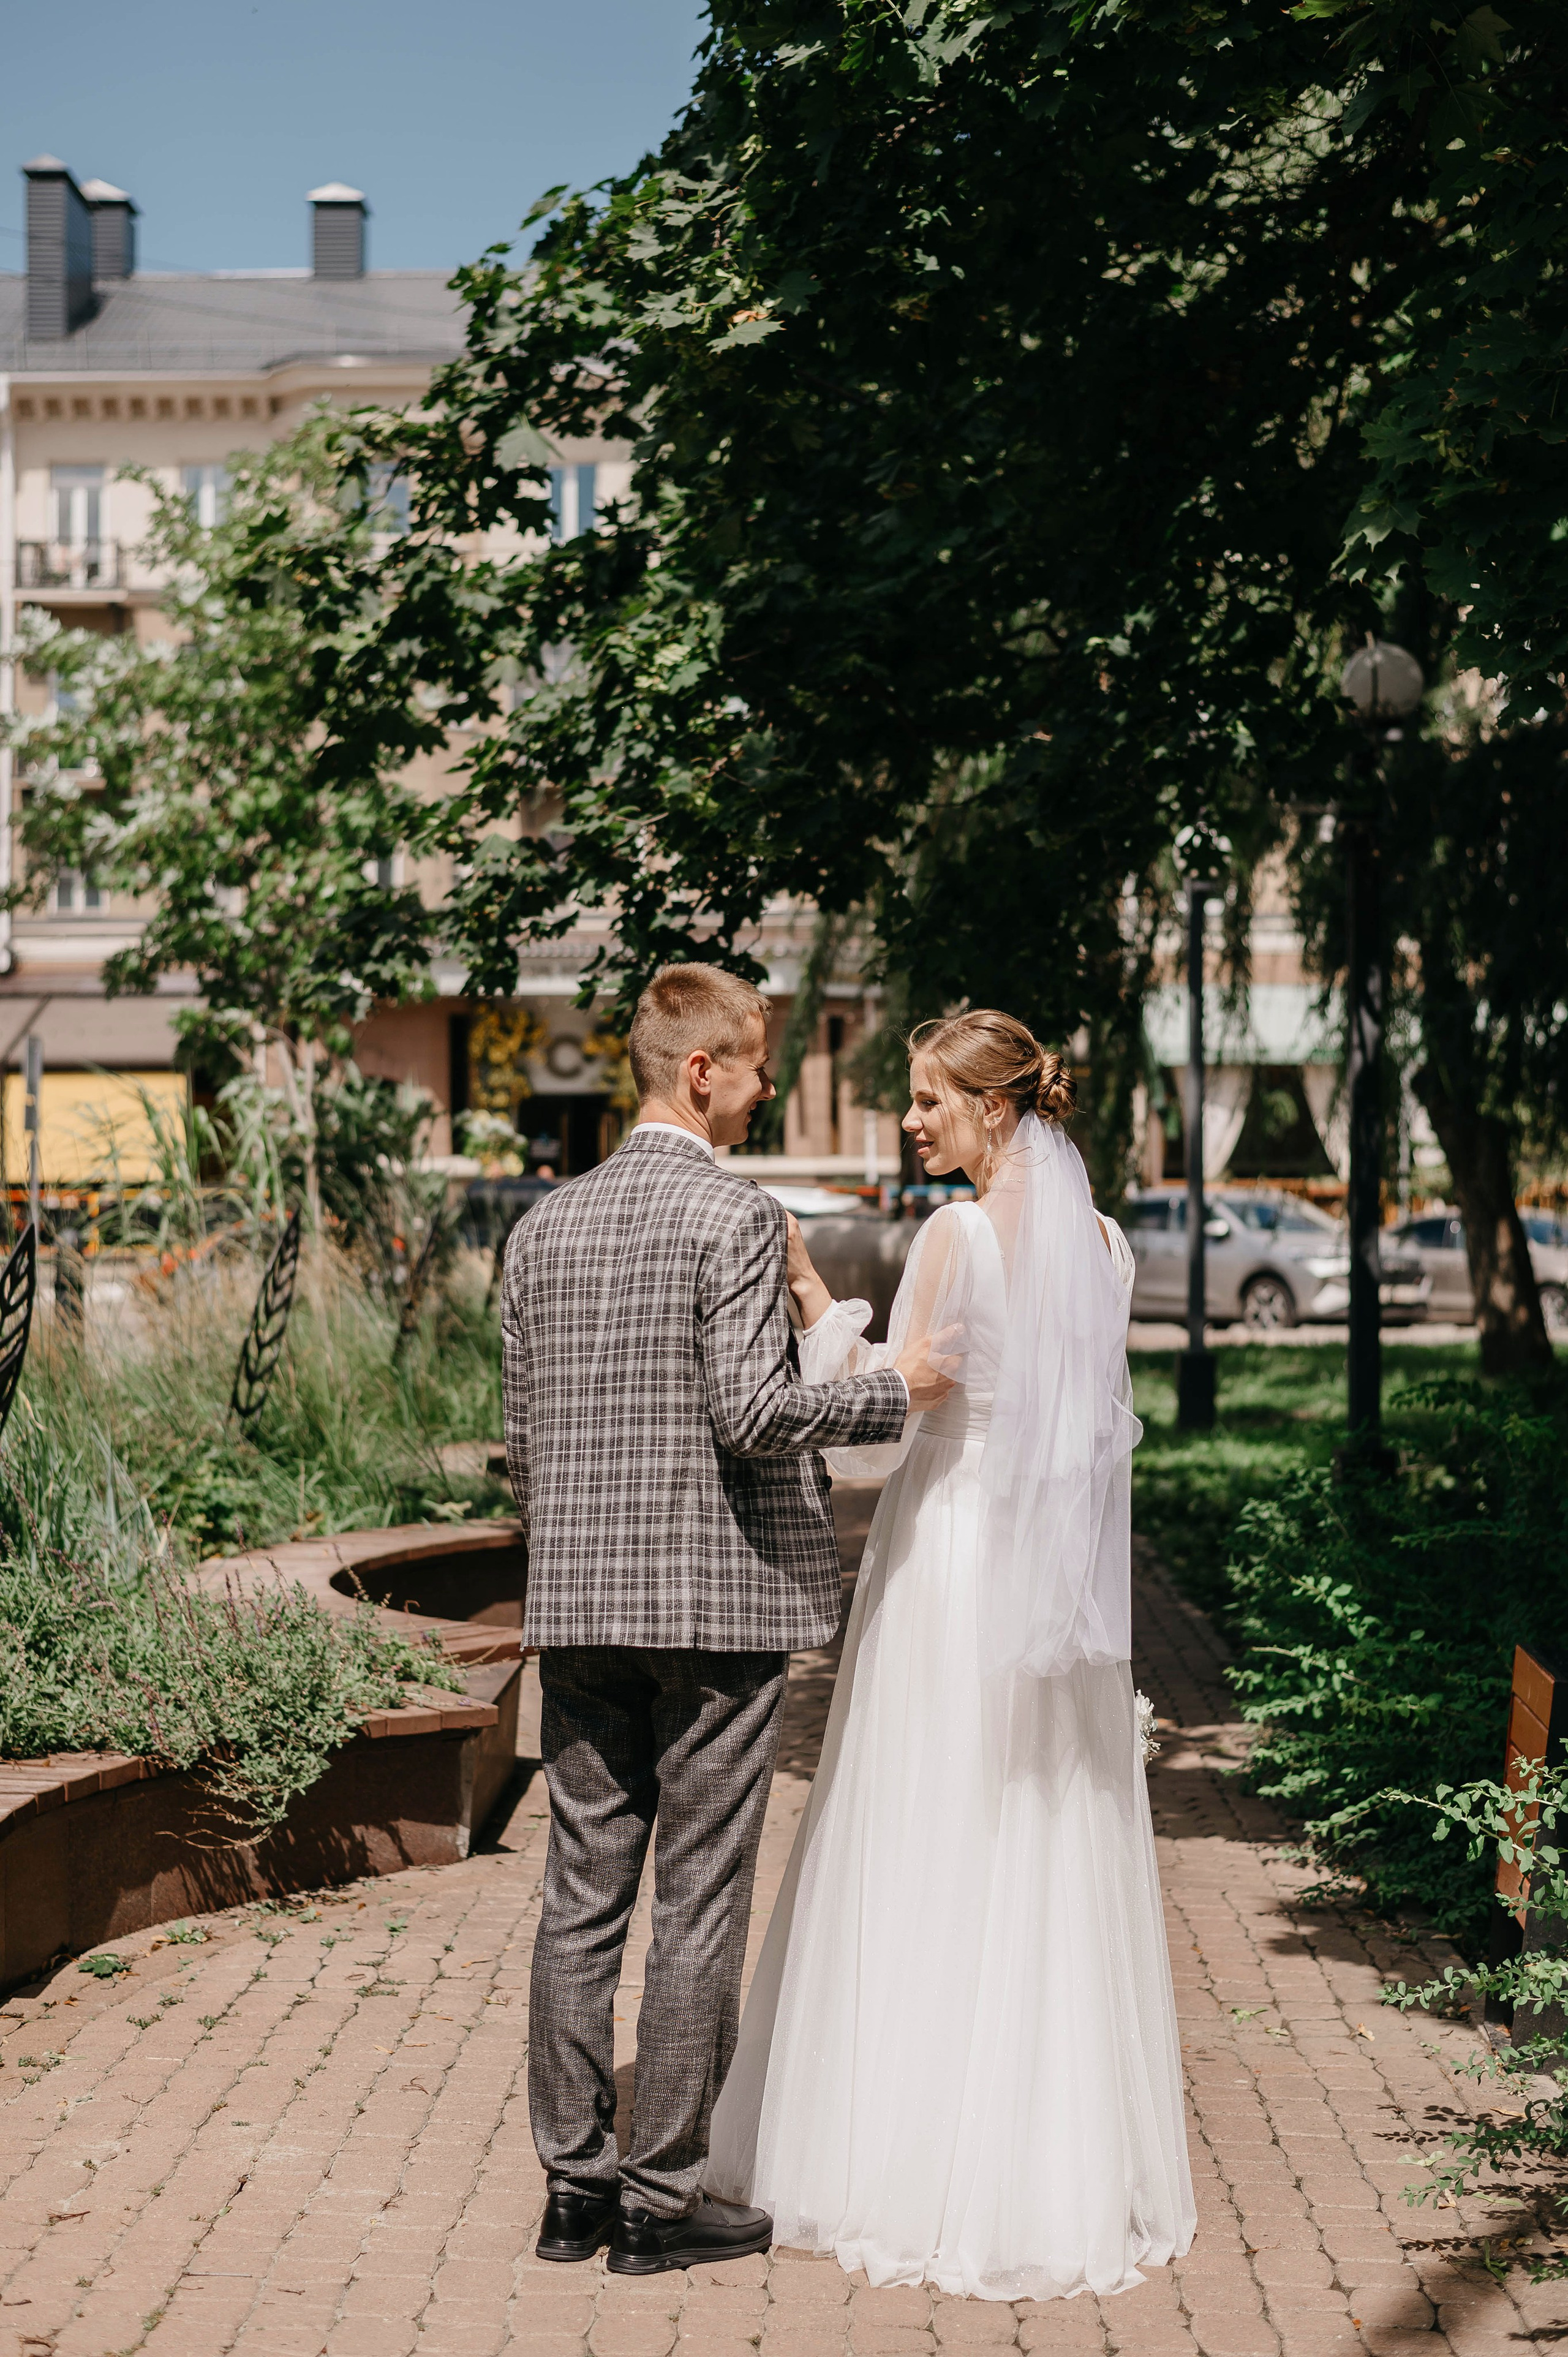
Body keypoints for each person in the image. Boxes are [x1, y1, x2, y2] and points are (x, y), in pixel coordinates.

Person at [707, 1009, 1196, 2300]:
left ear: (994, 1107)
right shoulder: (1101, 1244)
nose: (911, 1121)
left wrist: (816, 1301)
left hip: (950, 1568)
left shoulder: (955, 1235)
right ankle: (1049, 2161)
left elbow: (873, 1432)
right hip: (1053, 1596)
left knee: (924, 1833)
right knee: (1038, 1842)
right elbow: (1093, 1435)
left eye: (928, 1099)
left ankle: (898, 2154)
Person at [501, 964, 958, 2277]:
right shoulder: (734, 1219)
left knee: (580, 1895)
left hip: (579, 1606)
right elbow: (755, 1413)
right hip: (714, 1604)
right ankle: (659, 2198)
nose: (763, 1088)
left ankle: (570, 2191)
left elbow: (524, 1455)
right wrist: (896, 1394)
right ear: (699, 1070)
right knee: (697, 1900)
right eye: (756, 1065)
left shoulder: (542, 1228)